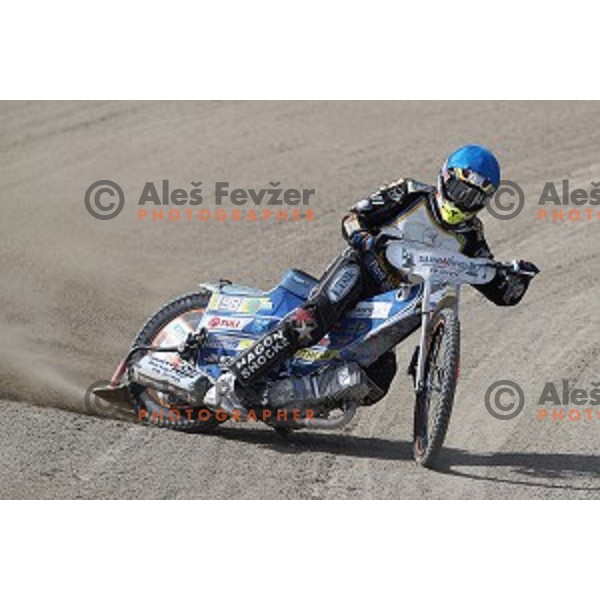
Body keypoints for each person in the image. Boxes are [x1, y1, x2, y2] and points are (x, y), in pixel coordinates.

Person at [205, 144, 539, 412]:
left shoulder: (472, 235)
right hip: (361, 271)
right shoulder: (408, 194)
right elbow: (353, 217)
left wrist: (516, 280)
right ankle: (234, 378)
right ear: (443, 177)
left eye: (475, 198)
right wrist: (363, 238)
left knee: (378, 380)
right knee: (311, 322)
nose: (463, 201)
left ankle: (291, 400)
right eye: (459, 189)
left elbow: (494, 285)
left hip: (392, 303)